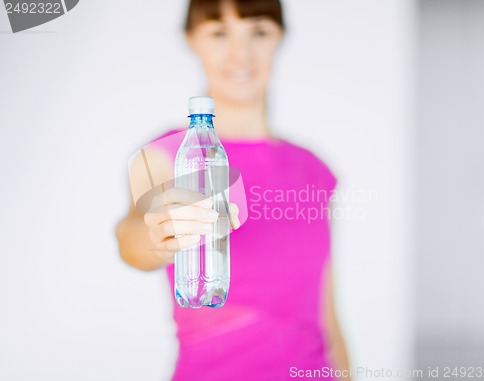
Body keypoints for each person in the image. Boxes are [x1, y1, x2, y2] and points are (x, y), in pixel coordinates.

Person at [115, 0, 351, 380]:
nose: (240, 54)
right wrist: (158, 237)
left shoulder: (314, 169)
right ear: (192, 40)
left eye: (258, 31)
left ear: (279, 38)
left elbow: (326, 309)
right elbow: (131, 238)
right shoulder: (169, 156)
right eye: (219, 33)